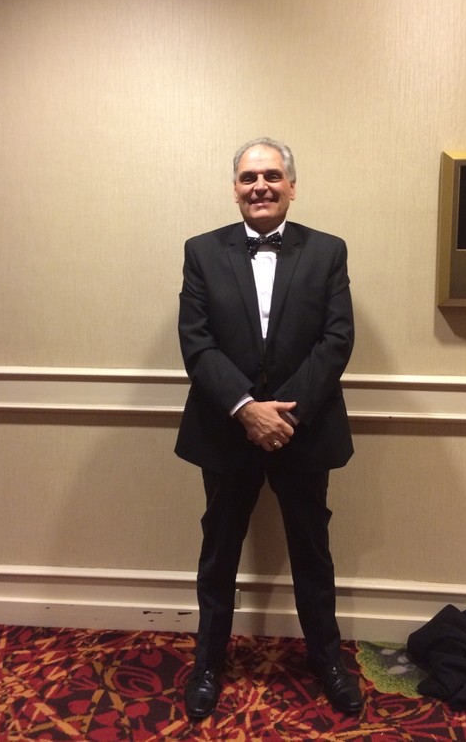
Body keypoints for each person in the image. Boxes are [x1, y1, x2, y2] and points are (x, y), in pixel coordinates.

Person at [175, 137, 362, 719]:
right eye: (249, 177)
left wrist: (285, 414)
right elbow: (196, 341)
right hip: (225, 428)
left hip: (303, 431)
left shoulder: (328, 250)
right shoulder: (201, 251)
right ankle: (208, 664)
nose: (260, 186)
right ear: (234, 188)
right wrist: (245, 408)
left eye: (272, 176)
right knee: (218, 553)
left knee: (313, 552)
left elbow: (337, 339)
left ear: (292, 187)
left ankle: (327, 661)